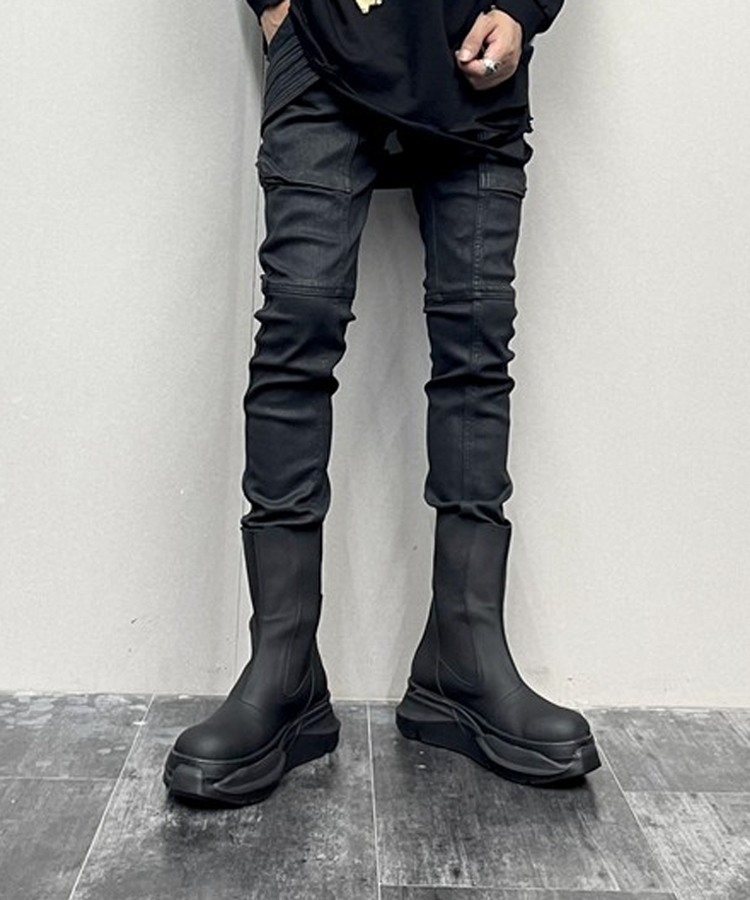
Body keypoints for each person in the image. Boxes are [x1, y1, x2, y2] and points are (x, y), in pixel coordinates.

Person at [163, 0, 601, 807]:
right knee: (298, 328)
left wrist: (523, 9)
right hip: (322, 40)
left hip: (473, 50)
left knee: (476, 346)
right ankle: (284, 665)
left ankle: (463, 659)